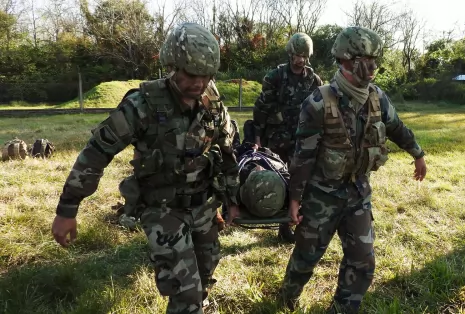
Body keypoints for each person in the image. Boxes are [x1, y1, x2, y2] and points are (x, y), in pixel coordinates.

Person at [50, 23, 241, 314]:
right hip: (163, 209)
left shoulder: (211, 102)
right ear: (172, 65)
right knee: (185, 294)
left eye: (206, 75)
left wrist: (231, 199)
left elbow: (227, 149)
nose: (199, 83)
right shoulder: (143, 105)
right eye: (191, 74)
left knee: (204, 276)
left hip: (203, 205)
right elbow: (96, 153)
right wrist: (67, 209)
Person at [277, 26, 428, 313]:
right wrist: (296, 198)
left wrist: (417, 153)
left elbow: (396, 127)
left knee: (363, 260)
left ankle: (343, 308)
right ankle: (288, 296)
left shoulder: (377, 98)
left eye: (374, 59)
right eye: (363, 59)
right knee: (306, 256)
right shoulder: (319, 102)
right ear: (346, 61)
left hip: (358, 193)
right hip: (321, 196)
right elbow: (303, 156)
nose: (371, 67)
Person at [252, 32, 324, 242]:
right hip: (277, 140)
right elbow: (261, 108)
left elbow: (321, 110)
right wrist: (257, 137)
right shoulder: (275, 77)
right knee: (281, 181)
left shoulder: (313, 79)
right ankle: (283, 225)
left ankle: (298, 223)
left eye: (304, 55)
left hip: (303, 141)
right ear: (290, 54)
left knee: (301, 181)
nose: (300, 60)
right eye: (297, 55)